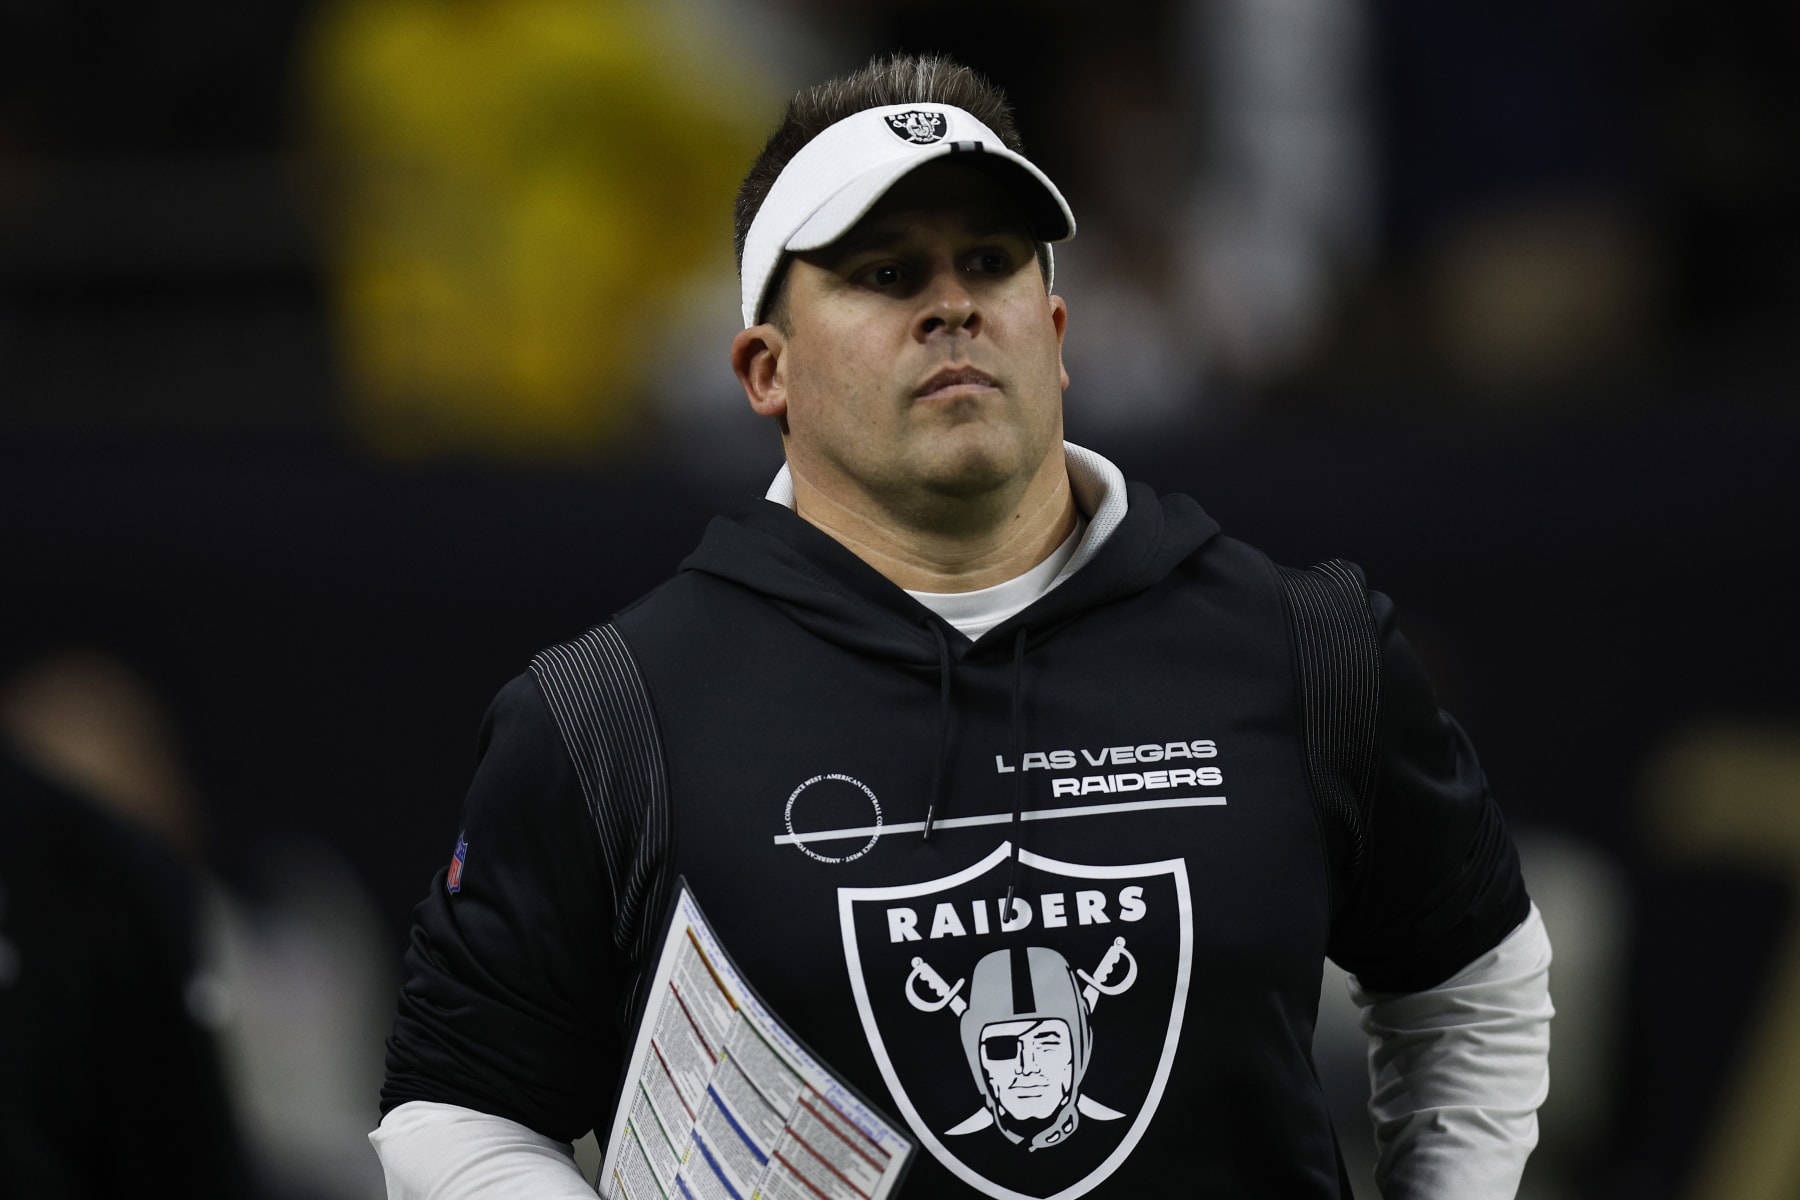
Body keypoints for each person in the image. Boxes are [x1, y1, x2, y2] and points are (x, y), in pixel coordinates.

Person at [372, 53, 1553, 1199]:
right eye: (885, 274)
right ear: (762, 369)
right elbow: (454, 1109)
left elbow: (1473, 974)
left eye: (988, 262)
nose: (950, 306)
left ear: (1053, 326)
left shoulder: (1302, 648)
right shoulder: (610, 716)